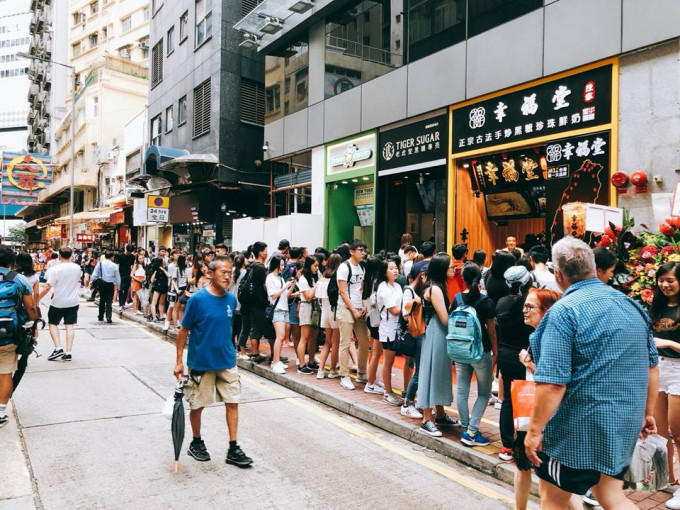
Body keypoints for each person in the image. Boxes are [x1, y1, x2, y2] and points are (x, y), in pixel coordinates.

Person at [525, 237, 659, 510]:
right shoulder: (632, 306)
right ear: (593, 266)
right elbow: (651, 367)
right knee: (611, 496)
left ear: (559, 275)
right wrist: (647, 413)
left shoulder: (563, 312)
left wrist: (534, 431)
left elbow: (552, 384)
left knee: (553, 498)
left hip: (575, 429)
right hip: (623, 422)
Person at [174, 256, 253, 468]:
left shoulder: (230, 299)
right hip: (201, 362)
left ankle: (233, 447)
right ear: (210, 274)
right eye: (223, 273)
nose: (228, 277)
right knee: (197, 405)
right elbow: (183, 331)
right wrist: (179, 362)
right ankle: (196, 442)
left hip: (227, 361)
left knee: (233, 401)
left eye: (230, 273)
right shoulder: (197, 300)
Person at [515, 288, 569, 510]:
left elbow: (555, 381)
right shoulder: (536, 335)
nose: (524, 311)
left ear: (546, 310)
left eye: (530, 307)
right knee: (525, 467)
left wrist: (528, 363)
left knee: (551, 483)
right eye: (525, 306)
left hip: (545, 414)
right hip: (530, 407)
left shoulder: (551, 339)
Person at [494, 266, 535, 463]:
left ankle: (507, 445)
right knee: (528, 398)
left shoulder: (501, 303)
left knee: (509, 400)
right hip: (525, 355)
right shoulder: (530, 303)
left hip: (505, 354)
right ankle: (525, 445)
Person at [455, 262, 498, 447]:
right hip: (480, 352)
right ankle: (472, 432)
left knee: (462, 391)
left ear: (462, 279)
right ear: (479, 279)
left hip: (460, 350)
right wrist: (495, 351)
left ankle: (465, 428)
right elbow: (492, 332)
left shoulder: (457, 299)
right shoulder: (486, 302)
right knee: (483, 393)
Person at [418, 253, 460, 436]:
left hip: (436, 333)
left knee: (439, 372)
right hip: (436, 333)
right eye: (451, 267)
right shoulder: (435, 289)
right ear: (442, 269)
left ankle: (440, 414)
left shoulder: (436, 286)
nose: (454, 269)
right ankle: (426, 419)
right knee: (431, 372)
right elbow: (444, 319)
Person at [649, 262, 680, 507]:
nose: (665, 284)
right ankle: (666, 478)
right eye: (661, 280)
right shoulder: (656, 306)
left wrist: (668, 344)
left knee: (678, 433)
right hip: (659, 368)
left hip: (679, 370)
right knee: (660, 433)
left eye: (670, 280)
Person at [0, 246, 39, 428]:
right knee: (6, 372)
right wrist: (34, 326)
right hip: (8, 332)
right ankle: (0, 412)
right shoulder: (19, 279)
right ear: (11, 261)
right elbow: (31, 307)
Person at [37, 247, 82, 361]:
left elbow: (48, 287)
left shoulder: (55, 269)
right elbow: (77, 280)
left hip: (58, 301)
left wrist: (37, 299)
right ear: (71, 255)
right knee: (69, 325)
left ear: (59, 256)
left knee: (52, 323)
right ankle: (68, 352)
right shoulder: (77, 268)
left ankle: (58, 348)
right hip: (73, 301)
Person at [336, 240, 370, 391]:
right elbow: (342, 292)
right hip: (345, 308)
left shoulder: (361, 267)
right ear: (351, 251)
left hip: (358, 309)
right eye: (360, 250)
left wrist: (363, 304)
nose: (363, 253)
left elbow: (360, 288)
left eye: (364, 250)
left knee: (364, 341)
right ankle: (344, 376)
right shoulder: (344, 267)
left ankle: (361, 372)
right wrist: (353, 309)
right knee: (345, 342)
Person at [400, 263, 428, 419]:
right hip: (416, 334)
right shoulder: (409, 290)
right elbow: (405, 314)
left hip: (423, 334)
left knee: (421, 370)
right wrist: (417, 303)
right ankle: (407, 404)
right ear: (421, 275)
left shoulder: (423, 290)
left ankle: (415, 401)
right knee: (419, 371)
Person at [375, 258, 404, 406]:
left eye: (396, 267)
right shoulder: (383, 287)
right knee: (388, 361)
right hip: (388, 329)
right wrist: (409, 308)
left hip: (397, 329)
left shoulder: (398, 286)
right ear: (384, 272)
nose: (395, 270)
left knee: (394, 360)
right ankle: (387, 392)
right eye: (391, 268)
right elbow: (394, 310)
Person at [315, 254, 342, 380]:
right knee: (335, 343)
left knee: (327, 342)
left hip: (324, 312)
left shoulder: (323, 276)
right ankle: (332, 370)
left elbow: (318, 296)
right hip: (334, 312)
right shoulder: (337, 277)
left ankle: (320, 370)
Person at [266, 255, 293, 374]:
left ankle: (277, 360)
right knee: (280, 336)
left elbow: (286, 295)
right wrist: (286, 286)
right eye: (281, 265)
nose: (283, 267)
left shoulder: (281, 279)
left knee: (282, 337)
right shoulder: (270, 278)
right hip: (277, 310)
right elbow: (273, 295)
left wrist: (291, 286)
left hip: (284, 309)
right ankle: (275, 362)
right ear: (276, 265)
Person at [247, 242, 273, 364]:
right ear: (260, 252)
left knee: (255, 328)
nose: (267, 253)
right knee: (268, 328)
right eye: (266, 251)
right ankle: (274, 354)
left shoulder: (252, 265)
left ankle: (255, 353)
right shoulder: (261, 268)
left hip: (252, 302)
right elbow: (265, 286)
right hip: (261, 302)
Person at [296, 256, 319, 374]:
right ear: (309, 265)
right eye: (315, 266)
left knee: (313, 338)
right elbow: (308, 297)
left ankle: (311, 362)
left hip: (315, 308)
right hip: (307, 307)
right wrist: (316, 286)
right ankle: (301, 364)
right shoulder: (304, 279)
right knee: (304, 338)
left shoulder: (313, 278)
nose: (317, 268)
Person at [91, 250, 121, 324]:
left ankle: (101, 316)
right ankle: (108, 317)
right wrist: (118, 286)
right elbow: (118, 277)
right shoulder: (114, 265)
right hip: (110, 284)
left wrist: (91, 282)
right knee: (109, 301)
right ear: (112, 257)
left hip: (102, 283)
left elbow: (94, 273)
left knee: (102, 300)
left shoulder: (100, 263)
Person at [171, 254, 192, 333]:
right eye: (186, 260)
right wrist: (176, 290)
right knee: (176, 308)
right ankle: (175, 325)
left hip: (185, 289)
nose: (187, 261)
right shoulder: (176, 269)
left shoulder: (187, 269)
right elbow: (172, 280)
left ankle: (181, 325)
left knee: (182, 308)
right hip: (179, 289)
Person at [149, 257, 169, 323]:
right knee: (154, 302)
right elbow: (152, 280)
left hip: (164, 286)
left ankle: (161, 316)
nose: (164, 261)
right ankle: (154, 317)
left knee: (162, 302)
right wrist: (155, 272)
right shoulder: (156, 269)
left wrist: (163, 269)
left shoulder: (166, 268)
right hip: (158, 286)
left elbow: (169, 276)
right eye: (163, 260)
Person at [116, 244, 135, 310]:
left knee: (126, 289)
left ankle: (123, 303)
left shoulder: (132, 256)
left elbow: (132, 266)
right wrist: (117, 275)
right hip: (120, 274)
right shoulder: (120, 255)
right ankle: (121, 303)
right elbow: (118, 265)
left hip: (128, 274)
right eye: (128, 251)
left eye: (130, 252)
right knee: (121, 289)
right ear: (126, 249)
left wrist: (132, 274)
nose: (129, 253)